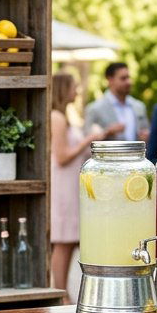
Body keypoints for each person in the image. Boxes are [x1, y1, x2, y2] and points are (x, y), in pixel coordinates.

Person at [50, 70, 122, 297]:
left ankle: (66, 293)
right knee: (63, 242)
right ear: (63, 89)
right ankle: (60, 293)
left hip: (71, 184)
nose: (77, 91)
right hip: (62, 186)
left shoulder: (66, 116)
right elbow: (62, 156)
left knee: (71, 240)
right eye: (74, 86)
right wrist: (88, 139)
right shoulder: (56, 117)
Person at [84, 61, 149, 144]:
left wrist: (146, 136)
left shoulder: (139, 106)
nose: (129, 82)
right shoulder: (94, 109)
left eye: (128, 77)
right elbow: (87, 140)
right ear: (110, 80)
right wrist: (107, 132)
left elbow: (146, 133)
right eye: (123, 78)